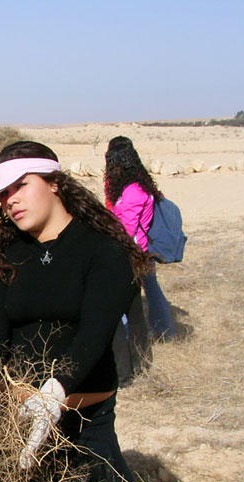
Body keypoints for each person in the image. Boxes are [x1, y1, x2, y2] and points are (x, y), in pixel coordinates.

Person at [0, 141, 159, 482]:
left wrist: (56, 390)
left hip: (83, 423)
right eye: (3, 193)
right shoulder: (6, 254)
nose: (10, 200)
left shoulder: (104, 250)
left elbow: (95, 331)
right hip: (21, 429)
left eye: (20, 185)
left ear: (55, 182)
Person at [105, 135, 177, 341]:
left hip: (135, 252)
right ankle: (164, 331)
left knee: (123, 295)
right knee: (151, 291)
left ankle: (128, 338)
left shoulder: (132, 191)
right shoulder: (134, 185)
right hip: (139, 251)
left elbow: (128, 228)